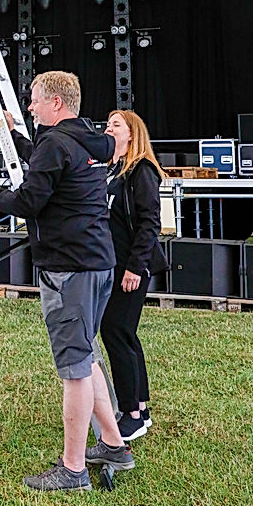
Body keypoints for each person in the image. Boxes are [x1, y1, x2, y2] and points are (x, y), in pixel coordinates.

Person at [0, 72, 135, 491]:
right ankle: (114, 444)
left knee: (74, 368)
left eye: (35, 102)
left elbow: (28, 202)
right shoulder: (93, 139)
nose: (31, 108)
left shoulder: (56, 144)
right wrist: (14, 133)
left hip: (68, 269)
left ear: (55, 103)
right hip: (97, 263)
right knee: (87, 354)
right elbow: (51, 156)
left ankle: (73, 469)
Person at [101, 109, 168, 441]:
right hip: (113, 264)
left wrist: (134, 267)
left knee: (115, 330)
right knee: (124, 333)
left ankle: (132, 414)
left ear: (132, 134)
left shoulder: (142, 171)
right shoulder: (113, 170)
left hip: (130, 267)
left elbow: (149, 224)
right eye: (107, 124)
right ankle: (140, 406)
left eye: (116, 125)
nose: (108, 128)